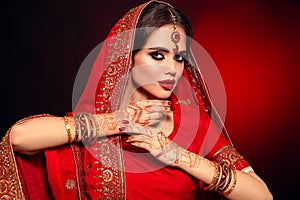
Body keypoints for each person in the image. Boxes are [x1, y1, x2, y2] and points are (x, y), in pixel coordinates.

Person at [0, 1, 272, 199]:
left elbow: (261, 195)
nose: (171, 68)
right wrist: (119, 121)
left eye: (179, 58)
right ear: (127, 57)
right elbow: (18, 138)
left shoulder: (192, 124)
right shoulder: (98, 122)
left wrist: (178, 156)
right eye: (157, 54)